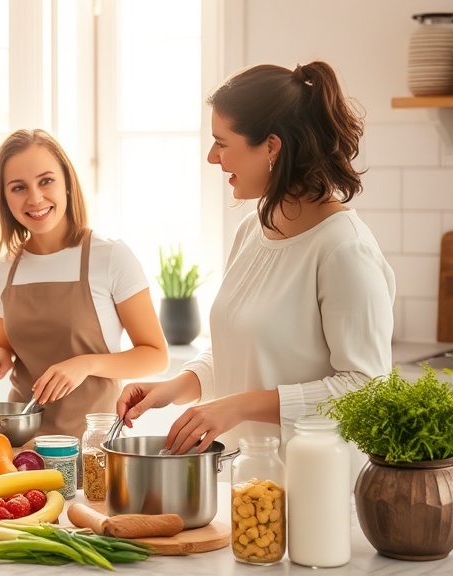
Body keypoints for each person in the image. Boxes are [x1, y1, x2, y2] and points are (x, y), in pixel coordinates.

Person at [116, 61, 396, 456]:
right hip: (247, 482)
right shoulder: (253, 230)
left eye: (222, 142)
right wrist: (174, 388)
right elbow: (241, 349)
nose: (213, 158)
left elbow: (366, 388)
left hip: (310, 489)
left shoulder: (342, 249)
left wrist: (240, 406)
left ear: (271, 146)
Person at [0, 129, 169, 440]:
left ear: (67, 183)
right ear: (3, 198)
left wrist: (85, 364)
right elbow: (3, 348)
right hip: (20, 441)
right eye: (18, 187)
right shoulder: (4, 268)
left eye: (46, 181)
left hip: (92, 442)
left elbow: (156, 354)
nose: (35, 198)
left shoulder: (110, 256)